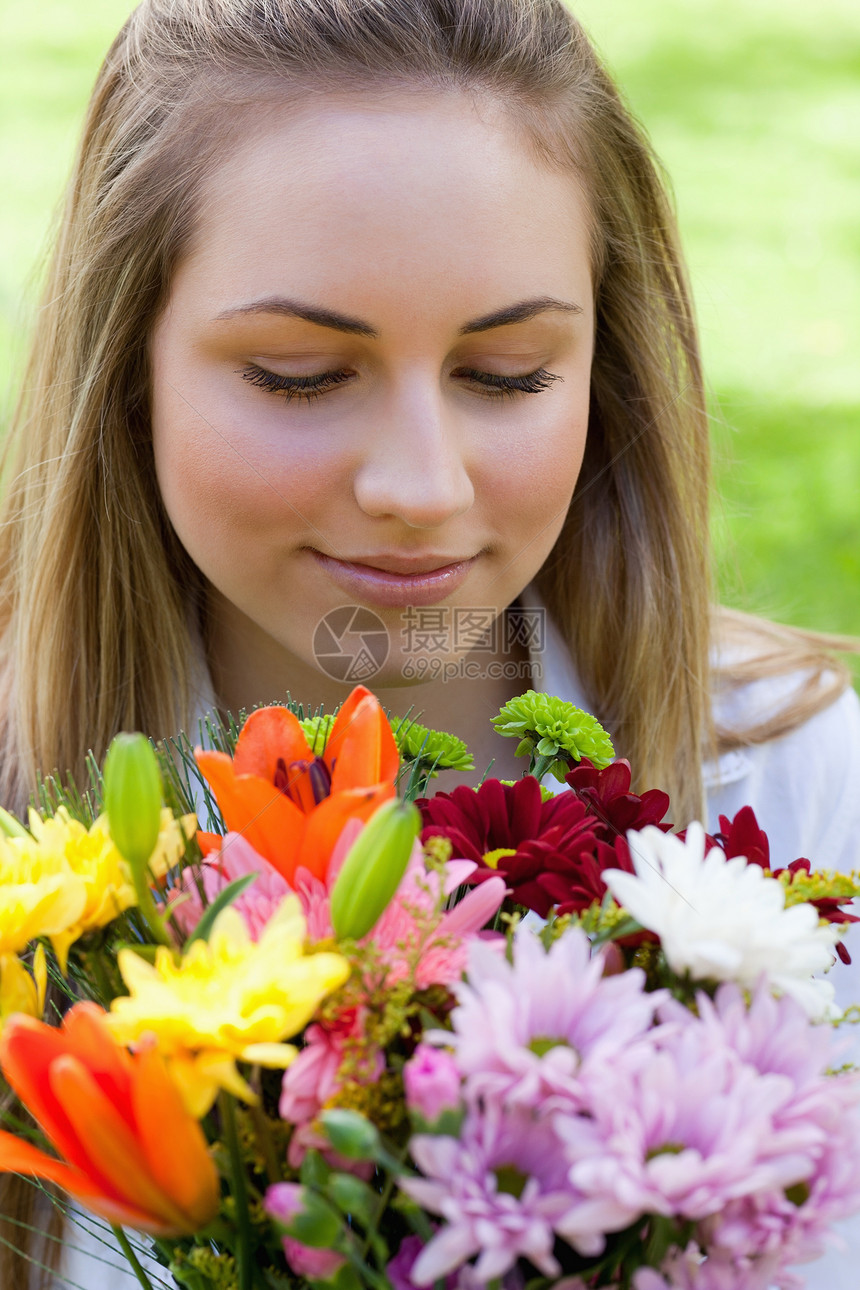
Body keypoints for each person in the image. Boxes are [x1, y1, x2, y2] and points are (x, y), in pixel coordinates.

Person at [0, 0, 858, 1285]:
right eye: (298, 373)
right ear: (131, 367)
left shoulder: (804, 783)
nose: (420, 485)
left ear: (604, 366)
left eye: (507, 372)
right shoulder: (34, 839)